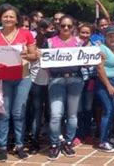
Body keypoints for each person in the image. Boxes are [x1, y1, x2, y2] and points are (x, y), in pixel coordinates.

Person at [0, 4, 38, 162]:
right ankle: (2, 147)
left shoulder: (25, 34)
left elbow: (35, 56)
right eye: (5, 16)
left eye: (11, 17)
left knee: (18, 113)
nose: (8, 19)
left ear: (16, 19)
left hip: (22, 77)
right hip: (2, 79)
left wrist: (25, 54)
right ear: (0, 18)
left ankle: (19, 145)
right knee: (3, 114)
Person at [45, 15, 84, 160]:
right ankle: (54, 144)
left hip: (75, 79)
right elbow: (45, 62)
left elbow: (86, 60)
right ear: (58, 26)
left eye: (69, 26)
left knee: (72, 115)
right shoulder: (50, 42)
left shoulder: (79, 42)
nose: (66, 28)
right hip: (56, 80)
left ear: (73, 27)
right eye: (63, 26)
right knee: (56, 114)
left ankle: (68, 142)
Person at [95, 25, 114, 152]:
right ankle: (102, 141)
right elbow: (99, 68)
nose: (113, 38)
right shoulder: (101, 49)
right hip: (105, 83)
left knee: (113, 112)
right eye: (110, 36)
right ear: (105, 37)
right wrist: (108, 85)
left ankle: (108, 136)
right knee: (108, 110)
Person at [28, 19, 55, 154]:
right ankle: (34, 141)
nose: (53, 31)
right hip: (36, 82)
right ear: (42, 30)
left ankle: (52, 139)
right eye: (50, 29)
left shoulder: (54, 42)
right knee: (37, 113)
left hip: (52, 82)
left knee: (51, 113)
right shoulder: (33, 41)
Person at [75, 23, 96, 146]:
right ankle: (77, 134)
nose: (84, 35)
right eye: (82, 32)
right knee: (77, 109)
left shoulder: (95, 46)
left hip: (91, 80)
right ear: (78, 33)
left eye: (87, 33)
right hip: (77, 79)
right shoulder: (73, 46)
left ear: (91, 34)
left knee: (88, 108)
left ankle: (87, 133)